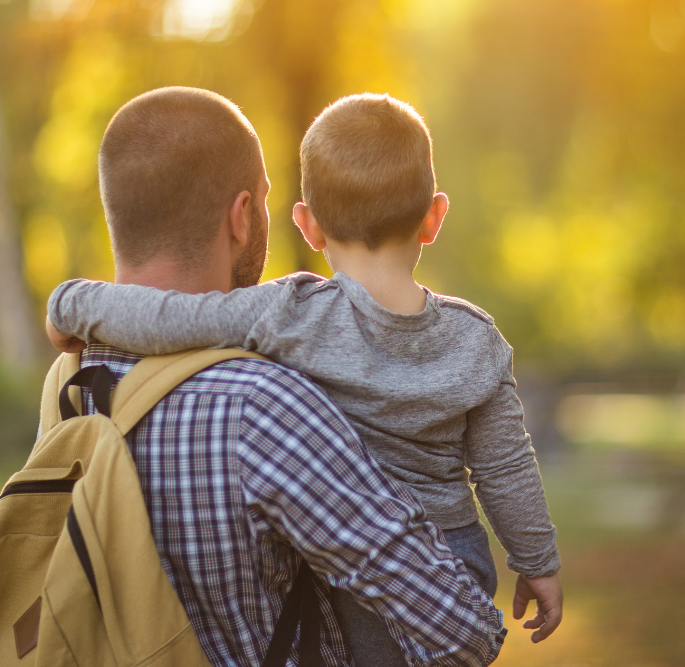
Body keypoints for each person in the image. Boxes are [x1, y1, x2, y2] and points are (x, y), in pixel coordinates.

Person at [47, 92, 564, 664]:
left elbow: (177, 318)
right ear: (434, 216)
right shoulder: (476, 340)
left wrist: (74, 302)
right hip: (454, 556)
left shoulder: (285, 316)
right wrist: (537, 562)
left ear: (309, 226)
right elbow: (506, 464)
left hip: (342, 588)